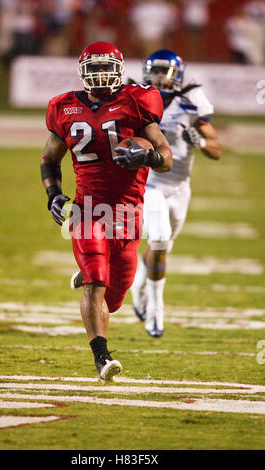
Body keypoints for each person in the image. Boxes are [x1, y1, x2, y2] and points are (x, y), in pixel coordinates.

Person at [40, 41, 172, 382]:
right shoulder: (64, 107)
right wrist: (54, 193)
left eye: (105, 67)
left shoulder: (137, 101)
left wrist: (147, 157)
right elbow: (49, 159)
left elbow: (165, 156)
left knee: (113, 299)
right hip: (87, 209)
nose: (99, 74)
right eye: (93, 68)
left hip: (128, 213)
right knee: (97, 281)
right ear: (83, 72)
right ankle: (102, 356)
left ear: (118, 70)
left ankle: (90, 272)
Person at [130, 49, 221, 338]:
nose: (158, 77)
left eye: (163, 72)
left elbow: (216, 149)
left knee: (162, 247)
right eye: (154, 71)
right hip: (151, 184)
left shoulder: (190, 101)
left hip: (180, 188)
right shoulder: (138, 99)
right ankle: (156, 309)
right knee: (158, 240)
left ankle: (138, 283)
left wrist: (201, 143)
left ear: (176, 74)